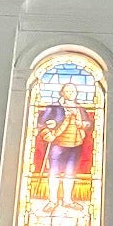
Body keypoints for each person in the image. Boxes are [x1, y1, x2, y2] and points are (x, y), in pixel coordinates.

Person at [35, 82, 94, 213]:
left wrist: (83, 124)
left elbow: (89, 124)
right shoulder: (54, 108)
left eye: (73, 91)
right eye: (67, 91)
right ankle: (52, 201)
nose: (70, 94)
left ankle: (68, 200)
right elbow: (41, 123)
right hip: (58, 144)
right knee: (54, 172)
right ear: (62, 93)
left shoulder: (79, 108)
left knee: (70, 172)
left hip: (75, 144)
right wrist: (48, 131)